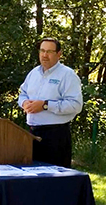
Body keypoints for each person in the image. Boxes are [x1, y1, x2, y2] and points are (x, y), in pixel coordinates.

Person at [18, 37, 83, 167]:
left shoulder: (67, 75)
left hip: (55, 136)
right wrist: (24, 103)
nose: (44, 55)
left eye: (49, 52)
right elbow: (22, 93)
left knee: (54, 182)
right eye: (42, 51)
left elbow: (76, 105)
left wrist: (45, 105)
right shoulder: (34, 73)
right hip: (31, 134)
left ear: (59, 54)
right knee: (32, 180)